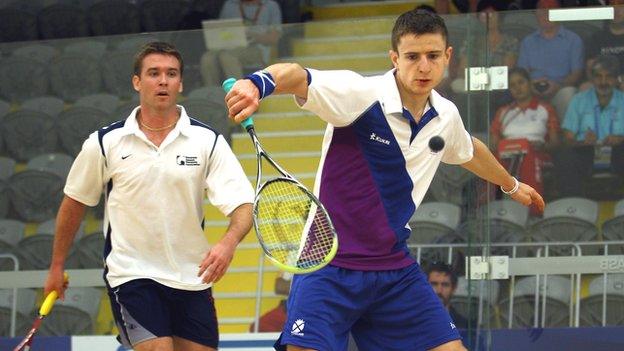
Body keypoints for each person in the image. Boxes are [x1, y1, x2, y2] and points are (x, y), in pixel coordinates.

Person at [225, 9, 544, 351]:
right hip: (328, 263)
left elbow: (469, 150)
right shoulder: (361, 94)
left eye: (433, 56)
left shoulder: (445, 115)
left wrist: (511, 184)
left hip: (393, 268)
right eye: (412, 56)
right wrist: (257, 83)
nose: (424, 66)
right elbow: (298, 76)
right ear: (395, 57)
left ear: (448, 57)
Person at [43, 42, 254, 351]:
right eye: (154, 73)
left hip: (191, 278)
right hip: (132, 275)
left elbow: (242, 204)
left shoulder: (207, 141)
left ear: (181, 83)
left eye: (171, 74)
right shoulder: (105, 142)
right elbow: (74, 203)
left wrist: (228, 243)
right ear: (137, 82)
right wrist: (56, 265)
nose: (163, 81)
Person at [555, 54, 624, 196]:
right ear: (592, 79)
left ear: (616, 79)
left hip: (618, 151)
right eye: (598, 76)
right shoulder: (578, 100)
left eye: (609, 77)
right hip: (587, 151)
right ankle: (572, 206)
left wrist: (620, 139)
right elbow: (567, 137)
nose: (603, 82)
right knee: (565, 156)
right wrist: (581, 142)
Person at [490, 67, 560, 199]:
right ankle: (495, 208)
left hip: (537, 154)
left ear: (529, 83)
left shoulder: (545, 109)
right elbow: (494, 144)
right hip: (507, 154)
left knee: (529, 159)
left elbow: (555, 142)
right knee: (492, 162)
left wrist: (541, 146)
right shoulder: (503, 112)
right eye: (513, 85)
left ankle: (533, 209)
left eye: (521, 82)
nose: (517, 88)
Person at [517, 0, 583, 118]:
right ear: (536, 14)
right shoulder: (528, 42)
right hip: (533, 91)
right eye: (542, 10)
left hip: (561, 89)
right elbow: (522, 73)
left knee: (569, 94)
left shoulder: (573, 39)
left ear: (559, 13)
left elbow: (577, 73)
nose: (546, 14)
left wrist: (558, 85)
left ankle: (567, 135)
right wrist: (531, 85)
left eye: (550, 9)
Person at [200, 0, 282, 87]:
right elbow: (221, 29)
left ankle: (239, 94)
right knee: (207, 58)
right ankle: (211, 94)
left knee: (227, 57)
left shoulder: (271, 5)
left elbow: (274, 39)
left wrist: (252, 36)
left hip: (257, 48)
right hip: (227, 46)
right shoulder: (229, 4)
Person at [426, 262, 475, 330]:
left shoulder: (465, 326)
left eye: (445, 285)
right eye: (434, 284)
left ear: (454, 288)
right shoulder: (411, 320)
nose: (439, 291)